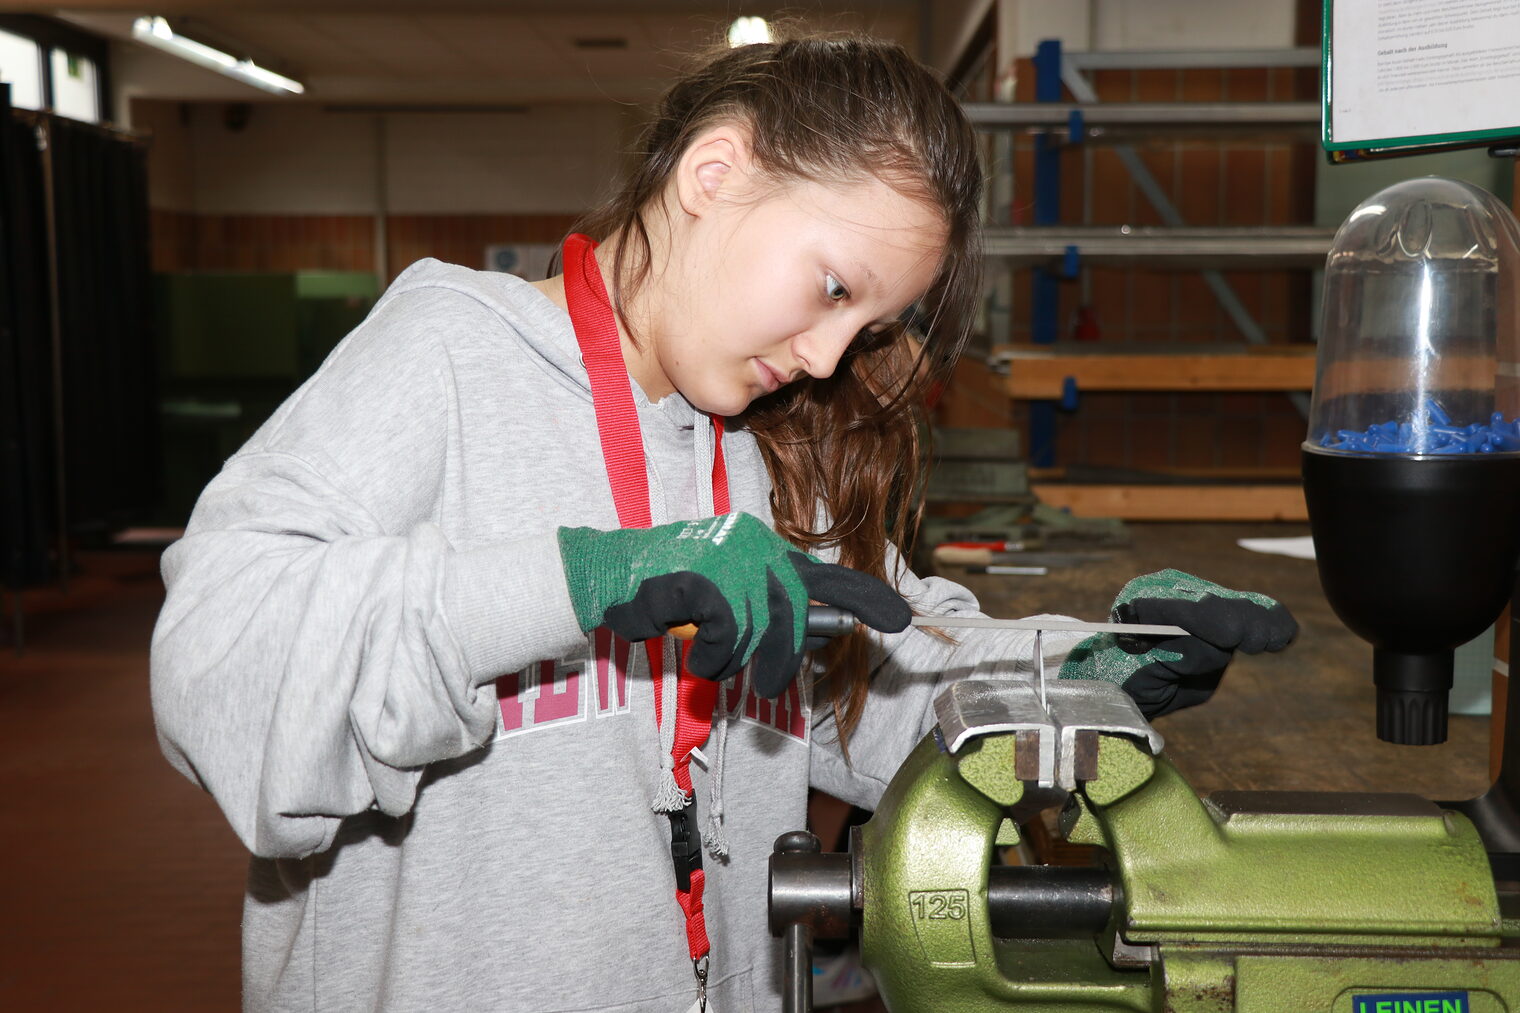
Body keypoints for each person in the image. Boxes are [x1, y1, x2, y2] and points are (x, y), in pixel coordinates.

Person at [150, 33, 1295, 1013]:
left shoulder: (766, 439)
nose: (824, 356)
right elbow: (216, 670)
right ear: (713, 172)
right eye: (833, 288)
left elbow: (886, 664)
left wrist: (1079, 667)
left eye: (866, 327)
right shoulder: (448, 350)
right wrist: (585, 576)